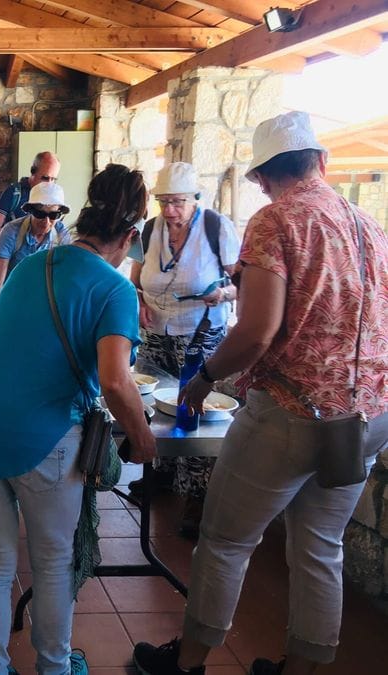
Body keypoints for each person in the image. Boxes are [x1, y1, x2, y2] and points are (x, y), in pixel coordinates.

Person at [132, 111, 388, 675]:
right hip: (366, 416)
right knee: (322, 548)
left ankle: (188, 662)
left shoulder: (276, 221)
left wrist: (201, 383)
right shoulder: (370, 226)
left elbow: (255, 332)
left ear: (262, 178)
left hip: (292, 411)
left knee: (225, 542)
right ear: (321, 162)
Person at [0, 164, 157, 675]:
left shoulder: (30, 265)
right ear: (130, 236)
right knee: (53, 562)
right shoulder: (115, 290)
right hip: (40, 435)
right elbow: (115, 380)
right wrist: (144, 441)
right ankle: (55, 668)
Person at [128, 161, 240, 537]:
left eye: (177, 202)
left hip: (200, 331)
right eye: (164, 202)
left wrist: (221, 293)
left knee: (194, 411)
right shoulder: (149, 229)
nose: (170, 210)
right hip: (157, 329)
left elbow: (242, 283)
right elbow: (136, 276)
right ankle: (159, 474)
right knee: (153, 407)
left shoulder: (216, 228)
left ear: (195, 199)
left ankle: (197, 495)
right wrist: (140, 301)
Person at [0, 181, 72, 316]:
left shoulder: (62, 236)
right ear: (30, 210)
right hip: (13, 300)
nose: (46, 222)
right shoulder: (11, 232)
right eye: (40, 214)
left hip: (44, 306)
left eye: (53, 215)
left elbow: (66, 283)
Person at [0, 151, 60, 242]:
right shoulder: (14, 193)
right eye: (45, 178)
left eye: (53, 179)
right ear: (33, 171)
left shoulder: (55, 196)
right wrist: (23, 232)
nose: (49, 184)